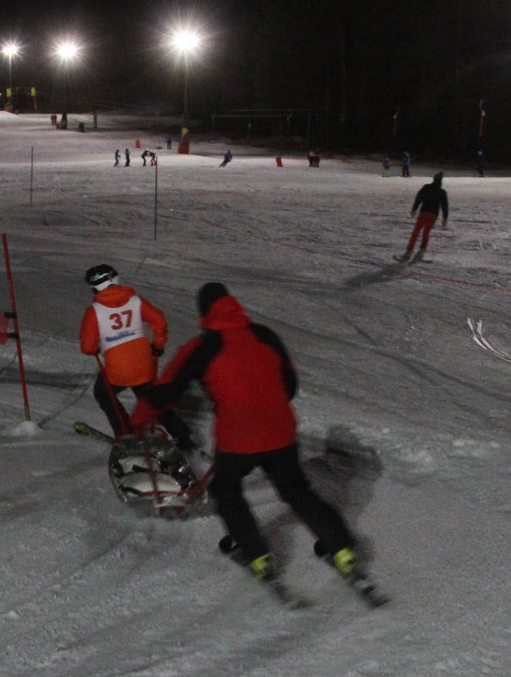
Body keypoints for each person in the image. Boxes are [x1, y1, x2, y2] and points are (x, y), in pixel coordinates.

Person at [130, 282, 363, 584]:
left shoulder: (202, 347)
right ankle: (342, 549)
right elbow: (289, 384)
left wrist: (138, 421)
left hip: (238, 439)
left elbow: (166, 389)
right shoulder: (265, 335)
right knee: (296, 490)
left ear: (204, 312)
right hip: (281, 433)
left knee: (226, 490)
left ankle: (256, 553)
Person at [79, 264, 195, 456]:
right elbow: (159, 320)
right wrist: (158, 344)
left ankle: (126, 434)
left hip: (118, 370)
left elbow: (87, 347)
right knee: (151, 397)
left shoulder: (95, 311)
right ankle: (181, 434)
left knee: (103, 392)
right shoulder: (135, 301)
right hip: (144, 363)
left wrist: (97, 347)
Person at [398, 171, 448, 262]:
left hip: (424, 212)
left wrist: (414, 208)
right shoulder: (442, 192)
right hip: (433, 215)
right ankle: (422, 250)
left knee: (416, 232)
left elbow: (419, 198)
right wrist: (445, 218)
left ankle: (409, 251)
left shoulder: (426, 188)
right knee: (426, 232)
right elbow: (445, 205)